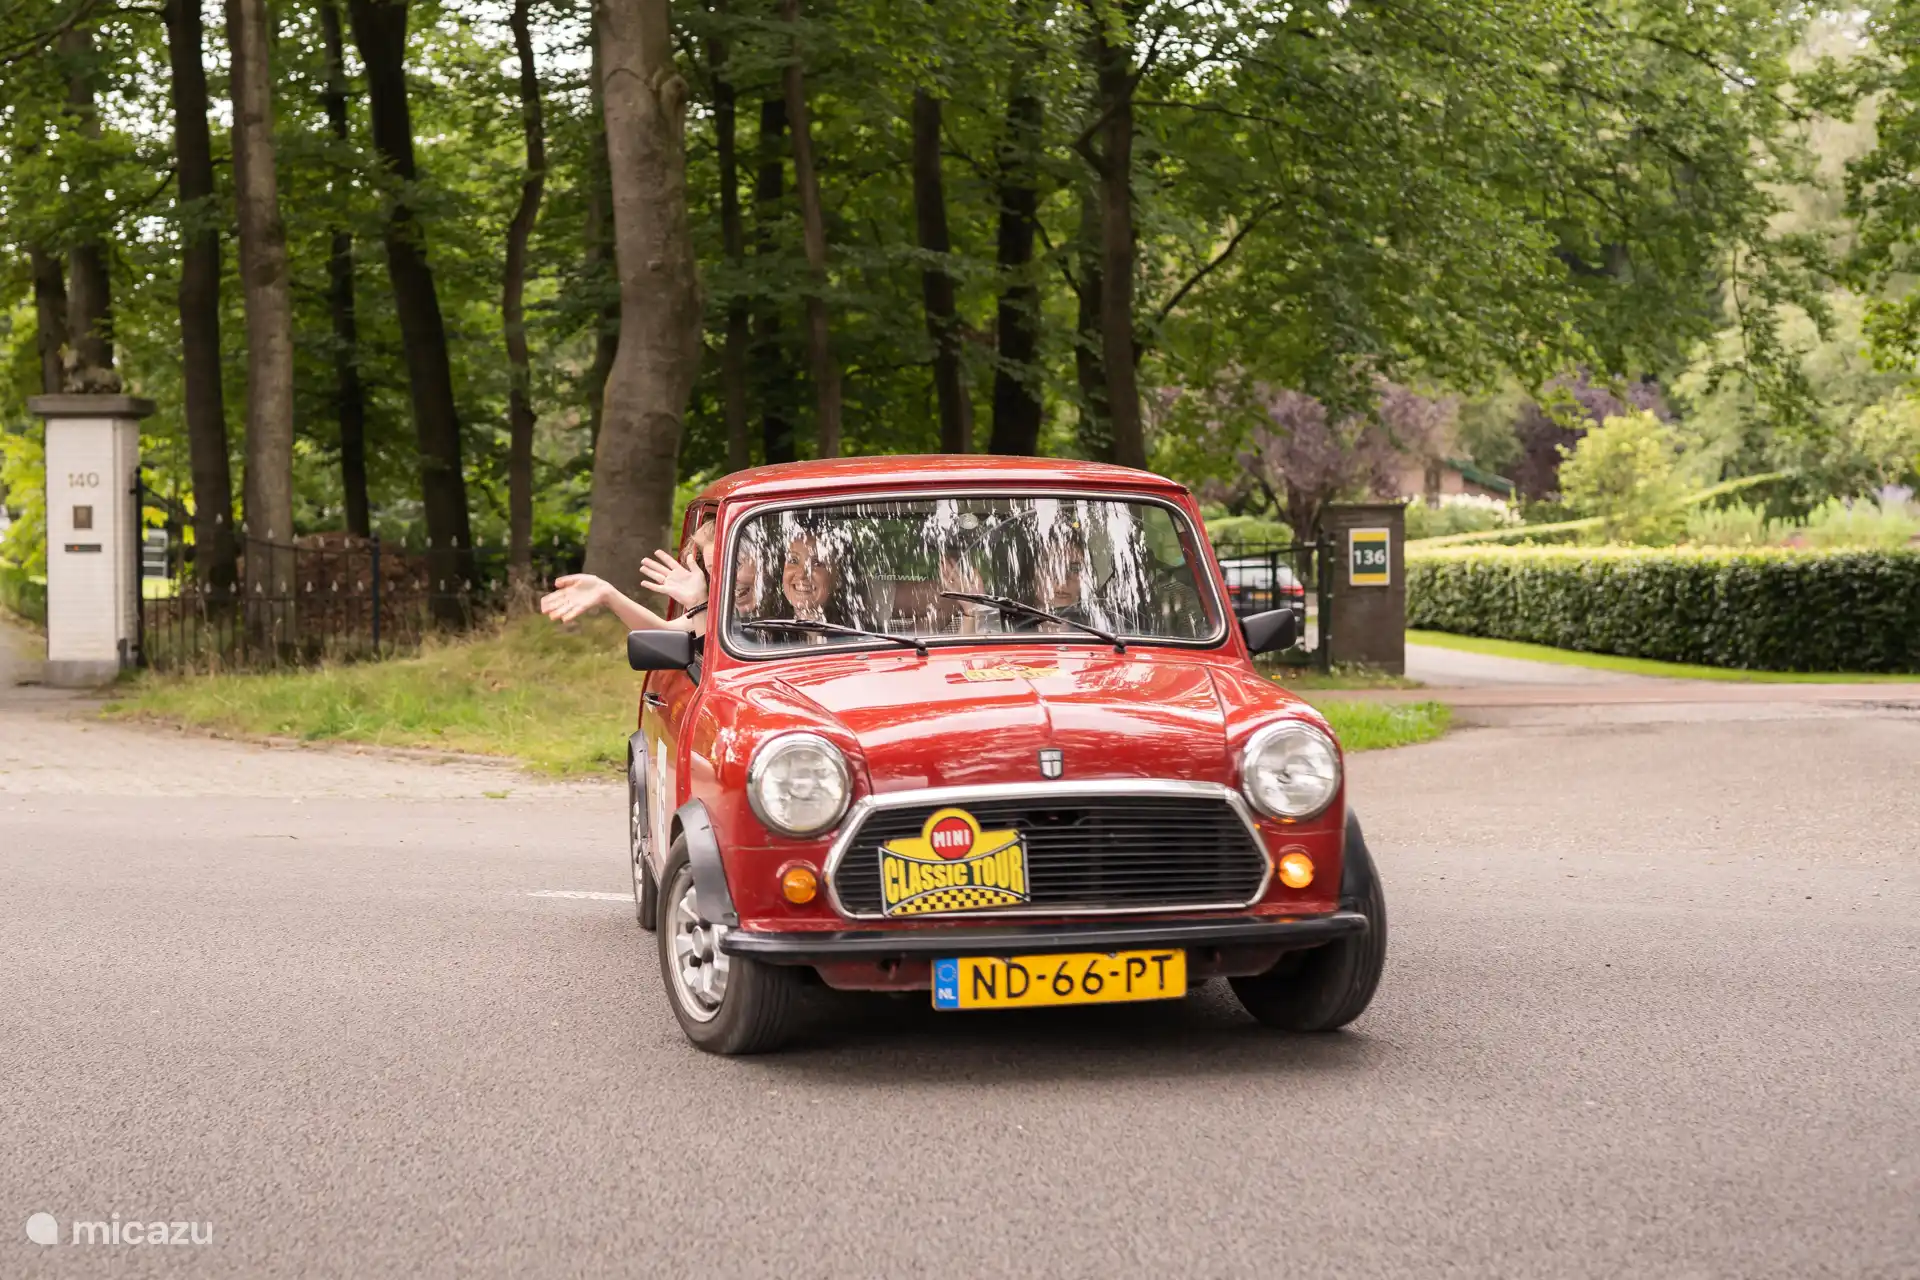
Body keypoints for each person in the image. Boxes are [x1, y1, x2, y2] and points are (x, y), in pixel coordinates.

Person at [540, 520, 713, 632]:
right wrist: (607, 593)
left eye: (735, 564)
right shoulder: (717, 606)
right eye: (713, 569)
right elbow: (663, 634)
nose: (725, 576)